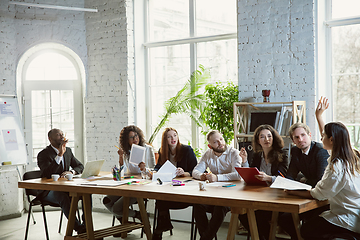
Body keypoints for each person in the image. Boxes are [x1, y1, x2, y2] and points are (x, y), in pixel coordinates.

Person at [286, 97, 360, 239]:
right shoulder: (352, 155)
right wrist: (318, 116)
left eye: (324, 136)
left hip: (346, 217)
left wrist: (291, 192)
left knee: (306, 230)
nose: (321, 139)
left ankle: (345, 236)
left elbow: (319, 194)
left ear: (331, 140)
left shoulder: (336, 166)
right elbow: (328, 135)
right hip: (356, 212)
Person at [192, 130, 249, 240]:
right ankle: (205, 236)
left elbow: (238, 175)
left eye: (221, 139)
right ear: (210, 145)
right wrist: (201, 176)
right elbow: (195, 171)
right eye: (216, 142)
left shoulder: (234, 153)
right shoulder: (208, 154)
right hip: (214, 194)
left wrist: (217, 177)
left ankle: (205, 238)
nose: (220, 143)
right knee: (198, 205)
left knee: (220, 206)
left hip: (232, 194)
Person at [278, 121, 330, 239]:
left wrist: (303, 181)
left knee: (310, 225)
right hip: (306, 195)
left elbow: (319, 180)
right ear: (293, 141)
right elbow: (290, 175)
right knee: (284, 219)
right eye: (296, 137)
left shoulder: (320, 150)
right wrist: (286, 183)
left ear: (310, 135)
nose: (300, 139)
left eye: (303, 135)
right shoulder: (296, 151)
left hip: (323, 200)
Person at [238, 125, 288, 240]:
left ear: (274, 138)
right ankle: (262, 237)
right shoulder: (257, 155)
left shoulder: (283, 154)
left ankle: (264, 237)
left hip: (277, 196)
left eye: (269, 136)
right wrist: (244, 161)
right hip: (260, 194)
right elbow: (251, 173)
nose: (267, 139)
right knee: (242, 214)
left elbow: (284, 177)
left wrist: (269, 178)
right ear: (257, 140)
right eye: (262, 137)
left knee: (260, 215)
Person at [103, 125, 155, 226]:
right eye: (131, 137)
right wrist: (121, 157)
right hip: (128, 184)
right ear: (126, 140)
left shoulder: (148, 149)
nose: (135, 139)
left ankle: (127, 222)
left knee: (117, 208)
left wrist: (145, 169)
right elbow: (123, 173)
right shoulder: (126, 152)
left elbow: (154, 171)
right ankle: (133, 218)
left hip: (142, 186)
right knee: (107, 200)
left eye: (136, 136)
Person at [152, 127, 197, 240]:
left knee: (160, 201)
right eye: (169, 136)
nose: (173, 138)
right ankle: (163, 225)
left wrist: (185, 173)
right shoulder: (162, 151)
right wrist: (154, 172)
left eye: (175, 135)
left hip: (184, 191)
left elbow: (197, 171)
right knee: (159, 198)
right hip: (170, 188)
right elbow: (158, 167)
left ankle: (160, 229)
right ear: (165, 140)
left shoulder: (187, 150)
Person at [37, 128, 86, 234]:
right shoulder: (43, 154)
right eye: (59, 135)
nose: (62, 137)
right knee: (62, 197)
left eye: (62, 134)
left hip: (66, 188)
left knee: (86, 193)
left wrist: (71, 172)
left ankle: (86, 226)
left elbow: (80, 166)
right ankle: (78, 228)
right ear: (50, 139)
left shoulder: (68, 151)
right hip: (49, 191)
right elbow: (46, 173)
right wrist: (59, 155)